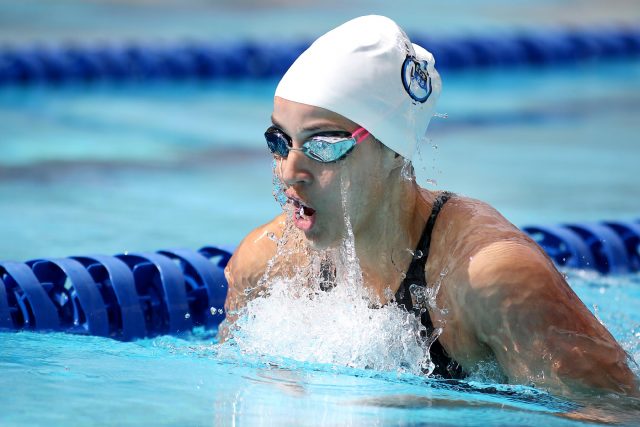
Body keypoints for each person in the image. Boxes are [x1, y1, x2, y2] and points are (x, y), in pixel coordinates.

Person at [220, 15, 638, 397]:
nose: (289, 171)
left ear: (394, 150)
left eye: (324, 144)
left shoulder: (491, 280)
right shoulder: (266, 264)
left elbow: (611, 411)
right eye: (279, 141)